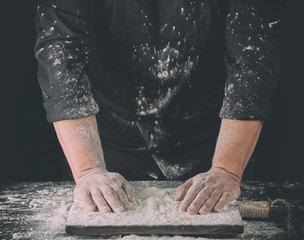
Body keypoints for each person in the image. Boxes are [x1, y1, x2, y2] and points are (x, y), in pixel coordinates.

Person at [34, 0, 282, 215]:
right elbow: (62, 58)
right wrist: (89, 170)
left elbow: (252, 62)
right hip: (102, 143)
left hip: (216, 144)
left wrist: (227, 170)